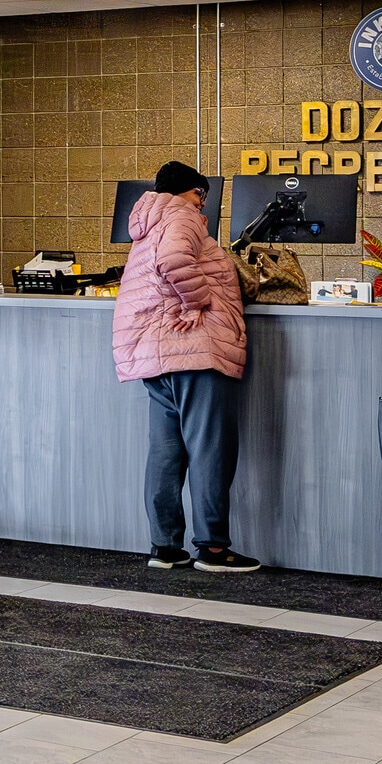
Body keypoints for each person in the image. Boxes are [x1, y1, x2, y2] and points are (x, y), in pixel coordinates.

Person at [112, 161, 259, 573]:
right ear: (193, 191)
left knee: (165, 452)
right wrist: (196, 303)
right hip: (193, 351)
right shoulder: (181, 214)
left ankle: (165, 546)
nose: (203, 205)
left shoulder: (147, 223)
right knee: (211, 449)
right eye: (202, 196)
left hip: (156, 355)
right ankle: (212, 548)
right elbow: (174, 260)